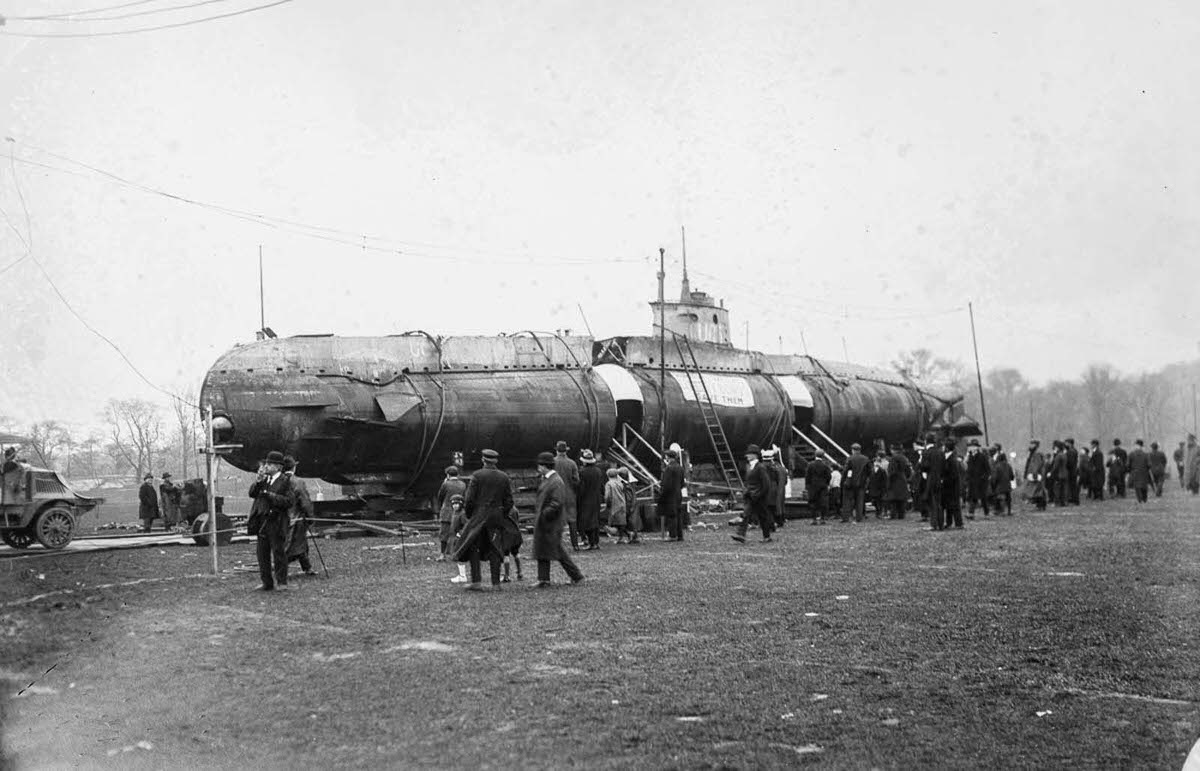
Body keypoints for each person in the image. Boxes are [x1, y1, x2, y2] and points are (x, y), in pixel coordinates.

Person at [453, 449, 520, 591]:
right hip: (496, 516)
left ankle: (476, 582)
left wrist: (471, 515)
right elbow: (509, 501)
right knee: (495, 547)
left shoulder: (477, 475)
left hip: (479, 515)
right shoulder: (503, 477)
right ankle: (496, 583)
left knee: (473, 545)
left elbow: (469, 499)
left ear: (483, 460)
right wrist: (501, 514)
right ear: (496, 461)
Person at [532, 451, 584, 587]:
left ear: (544, 466)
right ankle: (544, 579)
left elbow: (557, 502)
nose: (538, 468)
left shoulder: (555, 481)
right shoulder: (549, 479)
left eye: (539, 465)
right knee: (545, 548)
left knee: (555, 550)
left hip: (550, 522)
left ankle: (575, 575)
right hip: (548, 521)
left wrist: (544, 515)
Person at [248, 450, 296, 591]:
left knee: (278, 552)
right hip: (262, 521)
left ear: (278, 467)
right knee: (262, 554)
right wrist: (257, 482)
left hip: (277, 521)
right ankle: (266, 582)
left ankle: (282, 582)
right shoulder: (263, 480)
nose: (266, 466)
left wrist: (271, 496)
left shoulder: (286, 481)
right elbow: (252, 494)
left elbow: (289, 501)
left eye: (269, 464)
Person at [282, 455, 317, 576]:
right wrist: (310, 517)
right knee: (294, 545)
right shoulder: (298, 482)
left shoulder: (277, 481)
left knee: (297, 544)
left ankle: (307, 567)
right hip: (296, 519)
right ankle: (280, 569)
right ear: (293, 467)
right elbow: (305, 501)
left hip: (281, 519)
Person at [733, 444, 774, 542]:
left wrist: (758, 494)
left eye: (749, 454)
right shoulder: (749, 467)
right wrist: (746, 490)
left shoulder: (760, 467)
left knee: (763, 516)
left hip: (759, 497)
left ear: (755, 455)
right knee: (746, 514)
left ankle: (767, 536)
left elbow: (766, 484)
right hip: (750, 496)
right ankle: (741, 534)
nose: (746, 456)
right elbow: (749, 482)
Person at [553, 441, 582, 551]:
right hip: (569, 495)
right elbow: (577, 480)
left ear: (556, 450)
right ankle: (575, 545)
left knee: (556, 519)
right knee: (572, 520)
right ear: (566, 450)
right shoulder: (572, 463)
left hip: (556, 495)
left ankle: (556, 545)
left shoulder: (552, 462)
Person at [435, 466, 466, 561]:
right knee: (459, 533)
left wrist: (440, 508)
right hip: (459, 512)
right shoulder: (463, 484)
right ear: (457, 474)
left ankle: (442, 555)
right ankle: (458, 553)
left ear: (448, 475)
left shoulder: (446, 484)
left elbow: (440, 497)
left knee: (444, 534)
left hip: (447, 512)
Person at [576, 449, 604, 550]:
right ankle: (596, 542)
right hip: (596, 498)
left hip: (586, 499)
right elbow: (601, 486)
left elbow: (581, 488)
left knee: (586, 521)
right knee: (595, 520)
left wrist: (578, 498)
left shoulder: (582, 472)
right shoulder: (598, 471)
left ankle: (591, 542)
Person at [658, 448, 685, 541]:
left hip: (670, 495)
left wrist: (662, 494)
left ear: (668, 457)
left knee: (671, 515)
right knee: (678, 514)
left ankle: (672, 535)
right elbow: (682, 483)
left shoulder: (669, 468)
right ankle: (680, 535)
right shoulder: (680, 468)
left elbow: (666, 484)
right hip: (678, 494)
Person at [919, 433, 946, 529]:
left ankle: (933, 524)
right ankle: (940, 524)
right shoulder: (940, 452)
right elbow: (944, 467)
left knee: (931, 502)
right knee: (939, 502)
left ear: (926, 442)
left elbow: (924, 466)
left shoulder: (926, 452)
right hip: (939, 478)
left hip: (930, 478)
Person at [841, 443, 870, 523]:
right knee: (860, 501)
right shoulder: (866, 459)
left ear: (852, 450)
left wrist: (843, 481)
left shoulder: (849, 459)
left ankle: (846, 518)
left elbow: (845, 471)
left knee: (848, 501)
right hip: (861, 483)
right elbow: (869, 472)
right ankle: (859, 517)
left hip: (850, 483)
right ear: (860, 450)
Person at [964, 439, 991, 517]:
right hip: (972, 480)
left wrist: (984, 477)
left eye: (973, 446)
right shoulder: (970, 456)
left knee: (983, 498)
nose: (971, 448)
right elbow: (968, 469)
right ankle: (971, 513)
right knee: (973, 497)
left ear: (976, 447)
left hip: (981, 481)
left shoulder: (982, 456)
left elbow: (987, 469)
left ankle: (986, 513)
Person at [805, 449, 833, 526]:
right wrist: (826, 483)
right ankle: (822, 518)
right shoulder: (825, 466)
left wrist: (807, 485)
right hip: (823, 486)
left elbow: (807, 476)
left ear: (815, 455)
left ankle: (814, 519)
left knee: (813, 502)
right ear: (823, 456)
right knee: (823, 502)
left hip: (813, 486)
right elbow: (829, 476)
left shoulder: (810, 465)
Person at [940, 438, 963, 529]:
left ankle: (958, 523)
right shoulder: (948, 457)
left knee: (955, 505)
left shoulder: (952, 459)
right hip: (949, 485)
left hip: (952, 485)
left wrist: (944, 480)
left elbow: (953, 475)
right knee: (949, 505)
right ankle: (949, 522)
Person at [447, 495, 470, 584]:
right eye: (453, 504)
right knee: (457, 556)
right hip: (454, 538)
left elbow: (466, 525)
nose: (455, 506)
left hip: (460, 538)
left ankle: (463, 576)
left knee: (460, 557)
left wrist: (460, 534)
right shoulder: (454, 513)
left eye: (457, 504)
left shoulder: (462, 513)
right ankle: (461, 574)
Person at [884, 444, 911, 520]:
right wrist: (907, 477)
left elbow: (892, 471)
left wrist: (889, 480)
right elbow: (908, 470)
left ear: (893, 450)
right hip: (903, 479)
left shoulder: (894, 458)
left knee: (893, 499)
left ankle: (893, 515)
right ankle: (901, 515)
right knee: (902, 499)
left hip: (895, 480)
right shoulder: (904, 458)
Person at [603, 468, 629, 543]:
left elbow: (607, 496)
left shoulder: (609, 484)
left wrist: (607, 504)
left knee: (615, 523)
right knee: (621, 523)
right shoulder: (620, 483)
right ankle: (623, 536)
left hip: (614, 505)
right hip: (622, 504)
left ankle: (621, 536)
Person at [1021, 440, 1047, 512]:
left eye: (1032, 444)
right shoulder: (1033, 454)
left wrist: (1034, 474)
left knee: (1037, 491)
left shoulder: (1036, 454)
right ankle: (1040, 505)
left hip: (1036, 475)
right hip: (1035, 474)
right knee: (1037, 490)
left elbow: (1036, 464)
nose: (1030, 446)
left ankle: (1040, 505)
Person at [989, 445, 1014, 515]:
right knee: (1008, 498)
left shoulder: (997, 466)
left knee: (1000, 498)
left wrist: (993, 484)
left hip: (1000, 485)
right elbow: (1012, 476)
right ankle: (1009, 511)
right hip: (1008, 485)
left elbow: (995, 477)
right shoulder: (1008, 465)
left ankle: (1001, 511)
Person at [1126, 439, 1150, 504]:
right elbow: (1149, 464)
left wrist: (1129, 471)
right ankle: (1144, 499)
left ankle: (1140, 500)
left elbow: (1127, 465)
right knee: (1144, 487)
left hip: (1135, 472)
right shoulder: (1146, 454)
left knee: (1137, 487)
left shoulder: (1131, 454)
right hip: (1144, 473)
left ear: (1136, 445)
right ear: (1142, 446)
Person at [868, 451, 889, 519]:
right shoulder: (872, 470)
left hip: (880, 487)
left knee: (881, 501)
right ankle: (879, 512)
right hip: (874, 487)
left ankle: (881, 512)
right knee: (876, 501)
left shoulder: (882, 470)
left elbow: (885, 479)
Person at [1048, 441, 1068, 508]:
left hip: (1059, 474)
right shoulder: (1064, 454)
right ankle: (1063, 502)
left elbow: (1055, 466)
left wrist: (1050, 473)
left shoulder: (1058, 456)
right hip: (1064, 474)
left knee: (1057, 489)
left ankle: (1057, 502)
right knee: (1063, 489)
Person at [1064, 438, 1080, 505]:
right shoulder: (1074, 450)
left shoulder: (1070, 451)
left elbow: (1070, 462)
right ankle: (1074, 499)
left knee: (1072, 486)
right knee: (1073, 486)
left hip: (1071, 471)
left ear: (1069, 443)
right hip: (1073, 470)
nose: (1065, 444)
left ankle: (1074, 500)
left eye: (1066, 443)